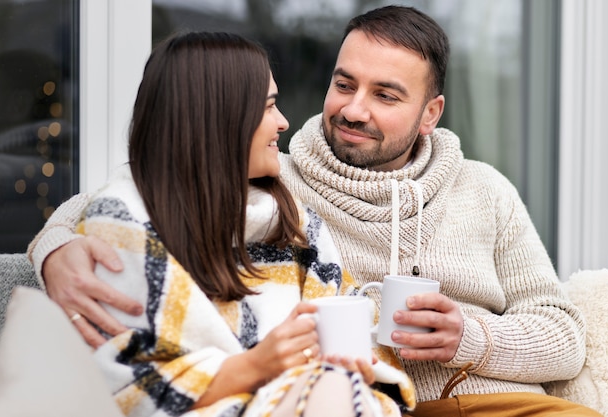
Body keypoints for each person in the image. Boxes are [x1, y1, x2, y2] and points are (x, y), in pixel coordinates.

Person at [28, 6, 600, 417]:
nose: (353, 109)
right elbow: (131, 200)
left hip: (491, 401)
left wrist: (468, 338)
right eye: (344, 83)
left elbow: (564, 337)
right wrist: (54, 250)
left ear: (432, 113)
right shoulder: (277, 180)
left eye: (386, 95)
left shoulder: (486, 191)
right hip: (381, 401)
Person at [36, 30, 415, 417]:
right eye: (269, 107)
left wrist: (351, 364)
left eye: (385, 95)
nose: (284, 123)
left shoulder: (294, 221)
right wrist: (53, 249)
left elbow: (358, 331)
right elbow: (126, 390)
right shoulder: (125, 227)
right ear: (219, 117)